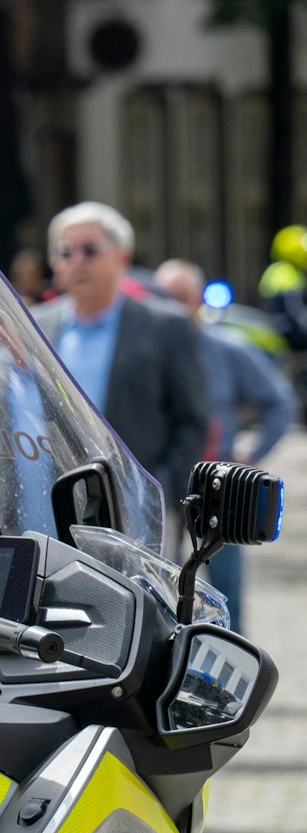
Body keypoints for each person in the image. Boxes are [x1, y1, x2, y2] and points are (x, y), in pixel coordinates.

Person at [31, 203, 209, 495]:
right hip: (52, 502)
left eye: (89, 250)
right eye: (65, 251)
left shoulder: (166, 325)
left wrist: (160, 493)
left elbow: (192, 421)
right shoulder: (36, 323)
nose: (77, 261)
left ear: (122, 257)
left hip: (136, 507)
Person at [156, 259, 297, 623]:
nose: (173, 307)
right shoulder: (145, 353)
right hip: (161, 487)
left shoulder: (224, 349)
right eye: (164, 297)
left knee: (225, 600)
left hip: (219, 493)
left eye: (181, 297)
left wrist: (251, 453)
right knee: (159, 596)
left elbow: (280, 402)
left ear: (198, 301)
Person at [259, 224, 307, 354]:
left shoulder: (275, 270)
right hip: (286, 336)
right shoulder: (288, 273)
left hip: (274, 330)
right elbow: (295, 312)